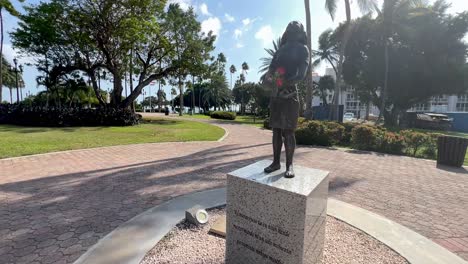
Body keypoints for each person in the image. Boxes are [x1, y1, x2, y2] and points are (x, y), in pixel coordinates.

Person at [263, 21, 310, 178]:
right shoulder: (280, 51)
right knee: (276, 130)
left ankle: (289, 165)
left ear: (300, 33)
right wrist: (268, 79)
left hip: (290, 94)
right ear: (286, 32)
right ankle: (276, 162)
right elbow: (270, 70)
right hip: (276, 94)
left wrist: (283, 83)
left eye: (295, 30)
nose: (291, 31)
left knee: (288, 131)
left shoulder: (303, 49)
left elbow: (301, 75)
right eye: (289, 29)